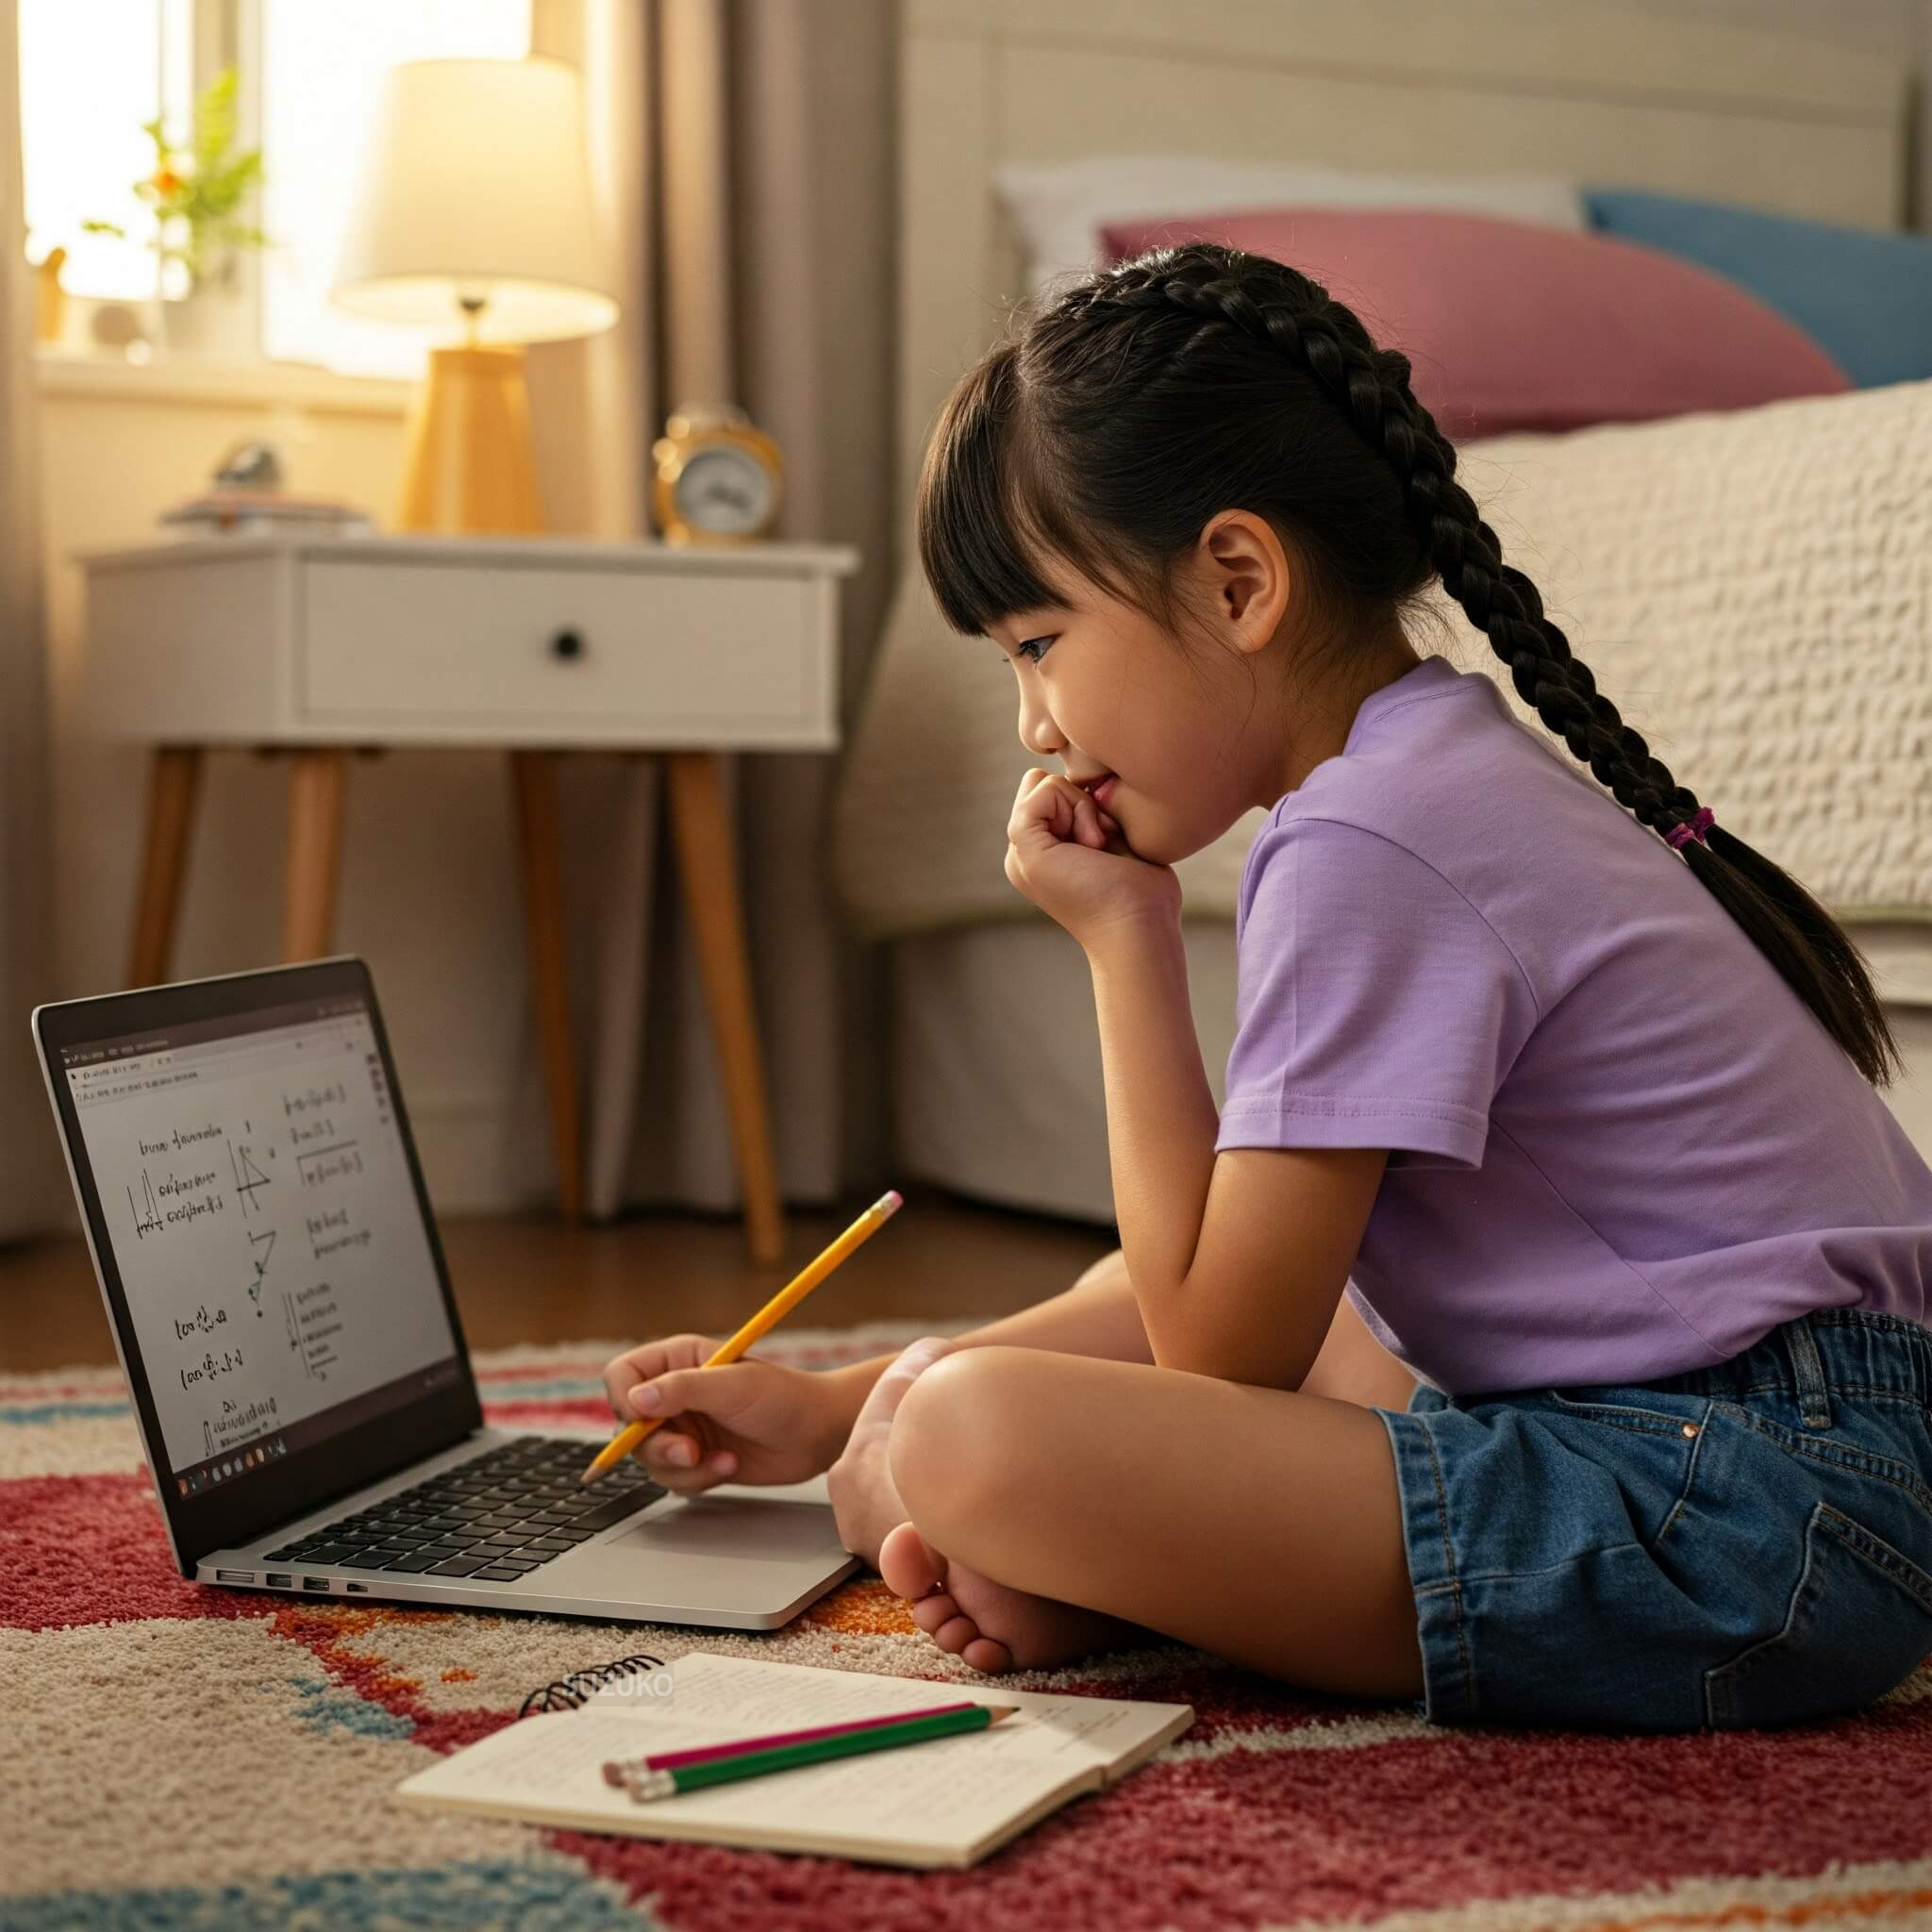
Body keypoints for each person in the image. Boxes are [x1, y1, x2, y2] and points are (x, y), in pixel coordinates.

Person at [603, 242, 1932, 1733]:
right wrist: (839, 1400)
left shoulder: (1369, 837)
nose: (1035, 724)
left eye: (1041, 645)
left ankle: (1071, 1546)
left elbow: (1217, 1353)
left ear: (1239, 582)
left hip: (1745, 1509)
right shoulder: (1435, 768)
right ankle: (1105, 1565)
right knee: (1316, 1322)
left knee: (967, 1438)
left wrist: (1126, 943)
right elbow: (1212, 1286)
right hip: (1806, 1464)